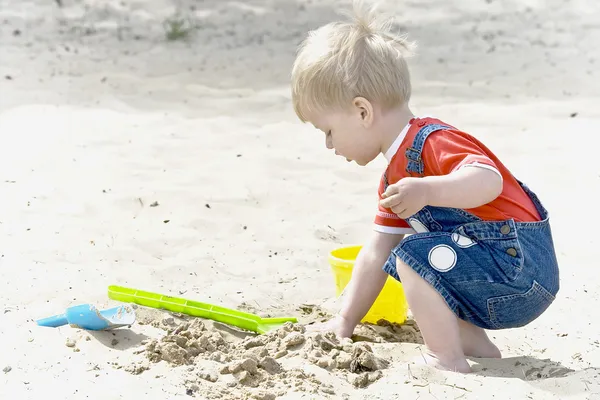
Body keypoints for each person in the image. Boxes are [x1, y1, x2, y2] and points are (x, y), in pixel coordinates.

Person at [289, 1, 560, 373]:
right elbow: (373, 254)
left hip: (521, 271)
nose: (329, 145)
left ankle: (445, 358)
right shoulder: (395, 178)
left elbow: (488, 180)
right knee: (419, 260)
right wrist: (344, 322)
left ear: (362, 111)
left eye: (329, 131)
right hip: (493, 279)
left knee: (414, 255)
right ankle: (478, 349)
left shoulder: (432, 142)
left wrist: (428, 190)